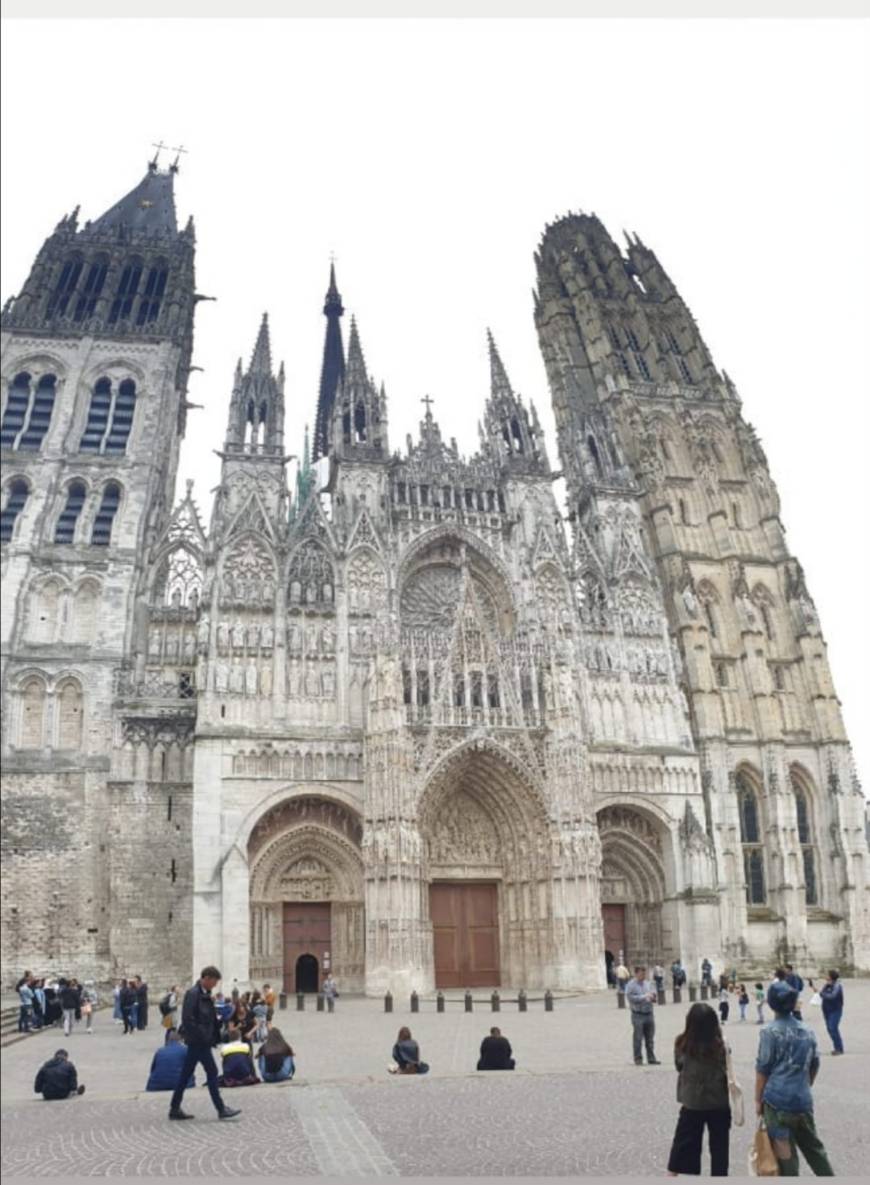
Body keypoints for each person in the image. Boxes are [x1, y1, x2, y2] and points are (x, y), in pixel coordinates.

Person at [754, 979, 834, 1176]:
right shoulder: (807, 1031)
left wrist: (758, 1100)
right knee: (815, 1149)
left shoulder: (769, 1032)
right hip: (802, 1100)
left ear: (771, 1003)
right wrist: (805, 1085)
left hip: (777, 1102)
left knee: (785, 1156)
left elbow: (763, 1070)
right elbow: (815, 1064)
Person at [666, 1003, 731, 1177]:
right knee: (719, 1147)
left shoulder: (682, 1043)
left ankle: (674, 1173)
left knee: (684, 1141)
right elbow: (726, 1068)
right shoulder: (720, 1046)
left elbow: (679, 1067)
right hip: (718, 1102)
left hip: (692, 1101)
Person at [168, 964, 240, 1121]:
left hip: (201, 1041)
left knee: (186, 1074)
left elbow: (207, 1017)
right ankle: (221, 1109)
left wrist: (215, 1031)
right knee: (212, 1072)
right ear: (206, 978)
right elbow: (188, 1019)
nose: (215, 986)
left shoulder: (204, 993)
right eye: (214, 982)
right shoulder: (193, 994)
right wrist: (203, 1035)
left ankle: (174, 1107)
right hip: (198, 1042)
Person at [626, 965, 660, 1066]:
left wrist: (653, 997)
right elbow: (630, 998)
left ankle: (651, 1058)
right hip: (638, 1015)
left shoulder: (648, 984)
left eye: (644, 973)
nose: (643, 976)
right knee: (638, 1038)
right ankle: (638, 1058)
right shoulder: (631, 985)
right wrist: (644, 997)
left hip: (649, 1013)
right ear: (636, 973)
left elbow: (654, 994)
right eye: (641, 973)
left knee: (650, 1038)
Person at [819, 970, 844, 1056]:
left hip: (835, 1009)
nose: (825, 976)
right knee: (829, 1029)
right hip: (826, 1009)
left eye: (827, 975)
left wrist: (823, 994)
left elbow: (832, 996)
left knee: (832, 1027)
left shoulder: (837, 986)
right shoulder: (827, 985)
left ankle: (839, 1048)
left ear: (831, 976)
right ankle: (836, 1047)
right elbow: (821, 993)